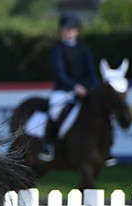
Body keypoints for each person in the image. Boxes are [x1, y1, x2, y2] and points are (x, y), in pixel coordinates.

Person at [39, 13, 99, 162]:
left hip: (85, 90)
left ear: (77, 31)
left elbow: (91, 72)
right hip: (64, 90)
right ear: (61, 31)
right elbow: (60, 74)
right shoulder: (58, 49)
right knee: (55, 112)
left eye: (72, 29)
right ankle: (49, 144)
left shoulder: (84, 49)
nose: (69, 32)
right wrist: (75, 86)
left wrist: (89, 86)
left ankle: (104, 147)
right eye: (66, 29)